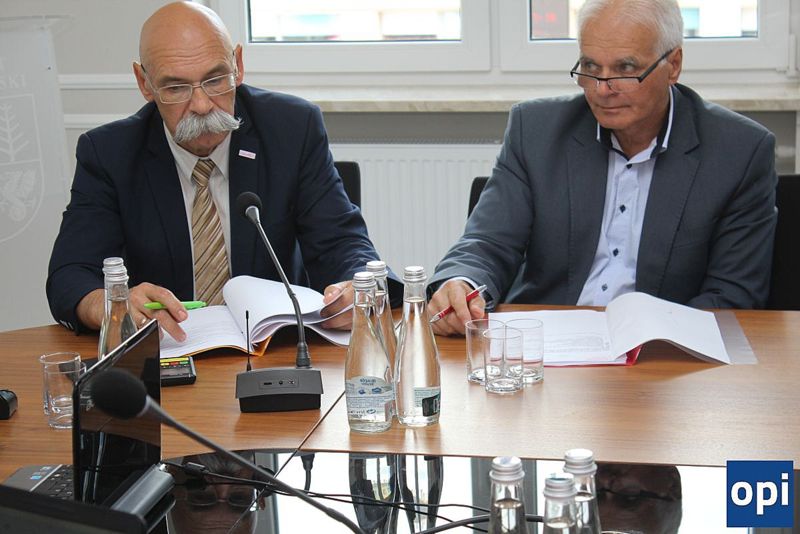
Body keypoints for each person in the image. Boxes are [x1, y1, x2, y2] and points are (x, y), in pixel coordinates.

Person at [428, 0, 778, 336]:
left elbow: (733, 295)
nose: (602, 89)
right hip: (549, 346)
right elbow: (488, 241)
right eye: (591, 68)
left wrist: (653, 342)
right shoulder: (535, 131)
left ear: (673, 65)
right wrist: (461, 282)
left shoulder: (739, 151)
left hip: (665, 354)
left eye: (625, 69)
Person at [46, 2, 391, 341]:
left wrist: (357, 287)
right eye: (176, 88)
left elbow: (342, 243)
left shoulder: (292, 129)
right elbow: (70, 274)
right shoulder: (109, 154)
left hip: (276, 348)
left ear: (237, 65)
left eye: (215, 80)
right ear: (144, 83)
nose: (201, 105)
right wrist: (113, 305)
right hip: (169, 351)